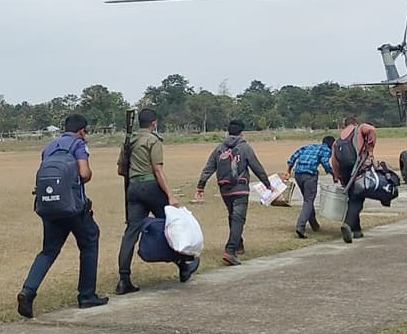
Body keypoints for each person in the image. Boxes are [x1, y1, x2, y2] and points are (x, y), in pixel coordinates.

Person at [17, 114, 107, 318]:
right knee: (90, 241)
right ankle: (87, 294)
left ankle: (28, 291)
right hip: (74, 207)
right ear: (82, 131)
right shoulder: (78, 145)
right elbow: (84, 173)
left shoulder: (49, 147)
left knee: (48, 250)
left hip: (50, 207)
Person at [115, 109, 198, 294]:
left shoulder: (129, 141)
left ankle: (123, 278)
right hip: (150, 186)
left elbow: (121, 170)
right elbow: (157, 170)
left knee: (130, 233)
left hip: (133, 188)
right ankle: (184, 264)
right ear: (154, 123)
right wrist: (170, 195)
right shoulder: (153, 140)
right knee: (172, 225)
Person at [196, 120, 272, 266]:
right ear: (241, 132)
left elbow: (209, 167)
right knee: (238, 219)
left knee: (233, 216)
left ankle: (239, 246)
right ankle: (230, 251)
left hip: (225, 189)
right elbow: (256, 166)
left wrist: (201, 186)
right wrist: (267, 184)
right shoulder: (245, 148)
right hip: (240, 188)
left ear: (228, 132)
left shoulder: (219, 149)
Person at [330, 117, 377, 243]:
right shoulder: (360, 129)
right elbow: (371, 129)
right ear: (354, 123)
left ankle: (357, 230)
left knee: (352, 199)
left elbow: (334, 161)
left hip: (345, 174)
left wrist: (337, 176)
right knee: (357, 200)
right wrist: (370, 147)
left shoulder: (338, 141)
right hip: (358, 170)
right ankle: (348, 224)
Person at [286, 136, 336, 239]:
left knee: (307, 200)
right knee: (309, 201)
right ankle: (300, 226)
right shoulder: (326, 150)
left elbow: (294, 156)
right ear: (332, 145)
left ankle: (314, 225)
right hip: (310, 176)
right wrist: (333, 175)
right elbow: (325, 163)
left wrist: (288, 171)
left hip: (298, 175)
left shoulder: (309, 146)